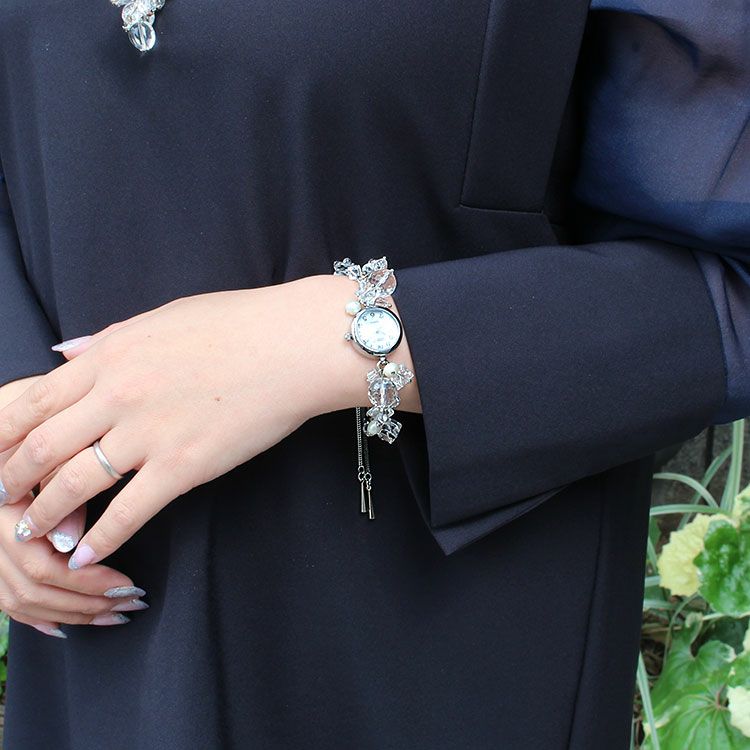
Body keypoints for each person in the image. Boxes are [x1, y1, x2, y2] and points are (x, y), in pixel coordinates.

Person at [0, 1, 747, 748]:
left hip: (418, 618)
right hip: (84, 601)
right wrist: (13, 416)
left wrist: (335, 341)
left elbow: (727, 292)